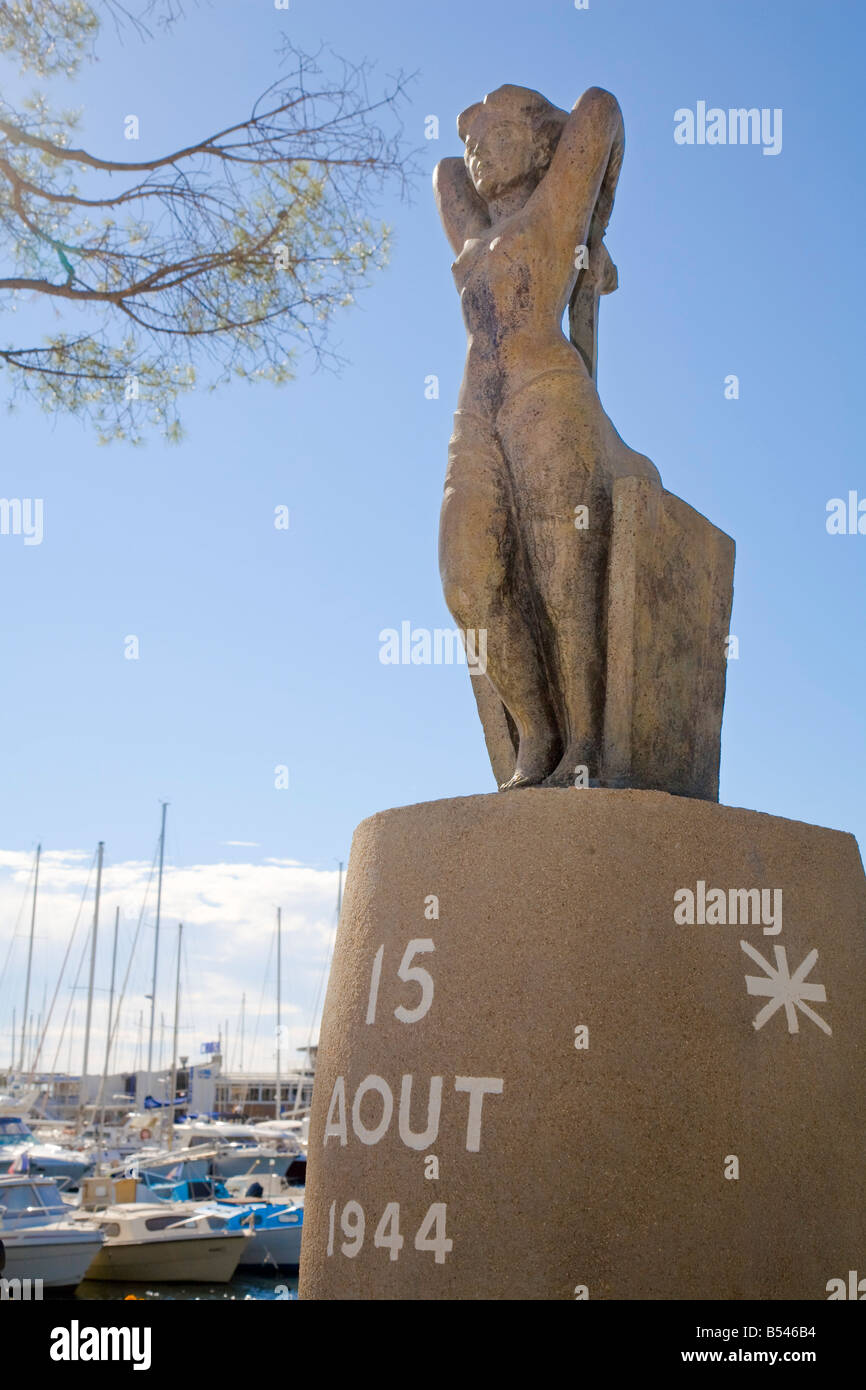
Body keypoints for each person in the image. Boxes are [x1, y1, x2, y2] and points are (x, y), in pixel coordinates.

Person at [435, 84, 660, 789]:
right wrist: (473, 137)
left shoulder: (554, 207)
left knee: (564, 577)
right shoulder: (470, 230)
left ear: (541, 146)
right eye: (473, 134)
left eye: (499, 129)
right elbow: (443, 173)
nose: (476, 147)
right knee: (467, 580)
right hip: (475, 413)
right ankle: (538, 733)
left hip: (546, 396)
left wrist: (593, 227)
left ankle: (587, 741)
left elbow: (602, 109)